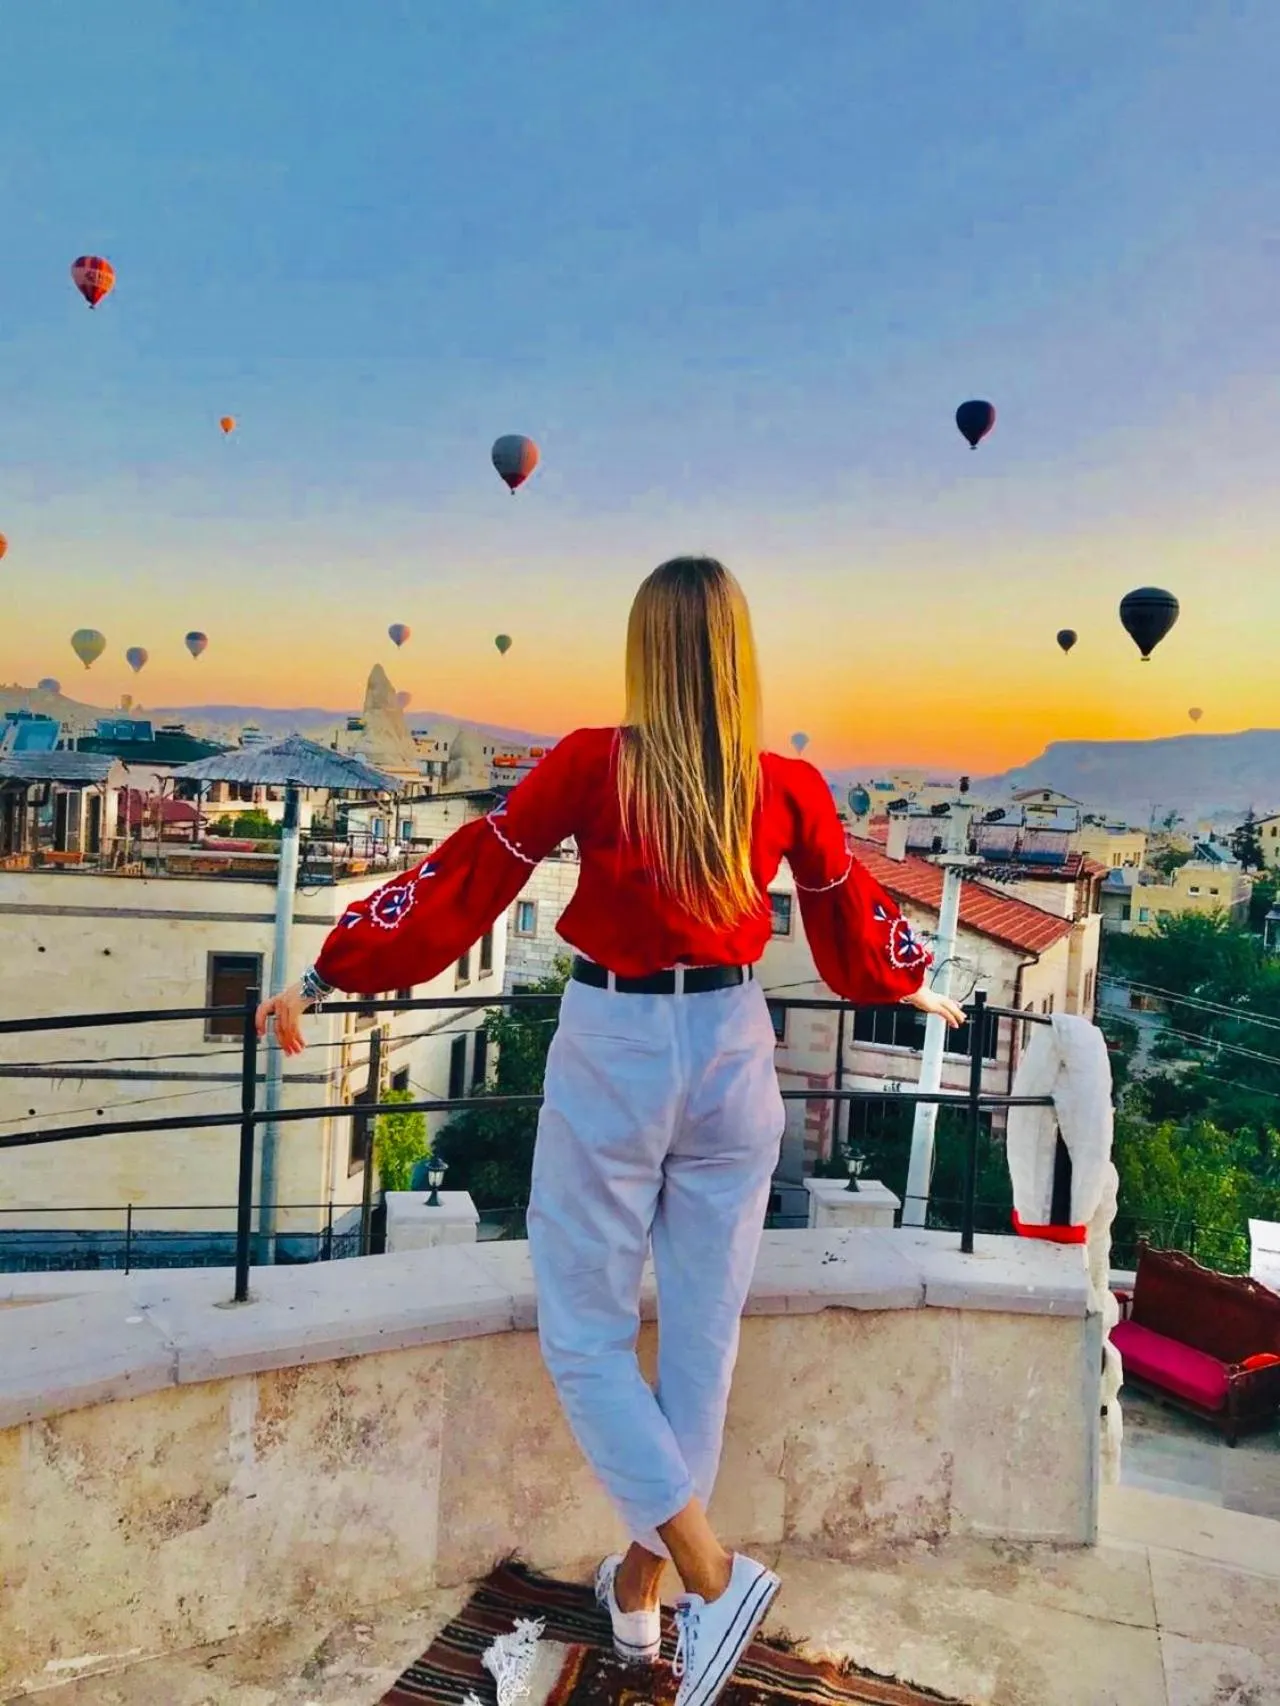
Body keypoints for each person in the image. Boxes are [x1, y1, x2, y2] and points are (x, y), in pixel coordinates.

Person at [257, 556, 963, 1706]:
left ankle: (705, 1569)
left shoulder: (592, 761)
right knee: (700, 1337)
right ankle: (639, 1602)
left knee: (585, 1330)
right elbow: (852, 915)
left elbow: (463, 879)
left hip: (619, 1042)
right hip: (735, 1046)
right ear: (739, 654)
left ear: (643, 649)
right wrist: (917, 983)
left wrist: (332, 973)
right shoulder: (786, 784)